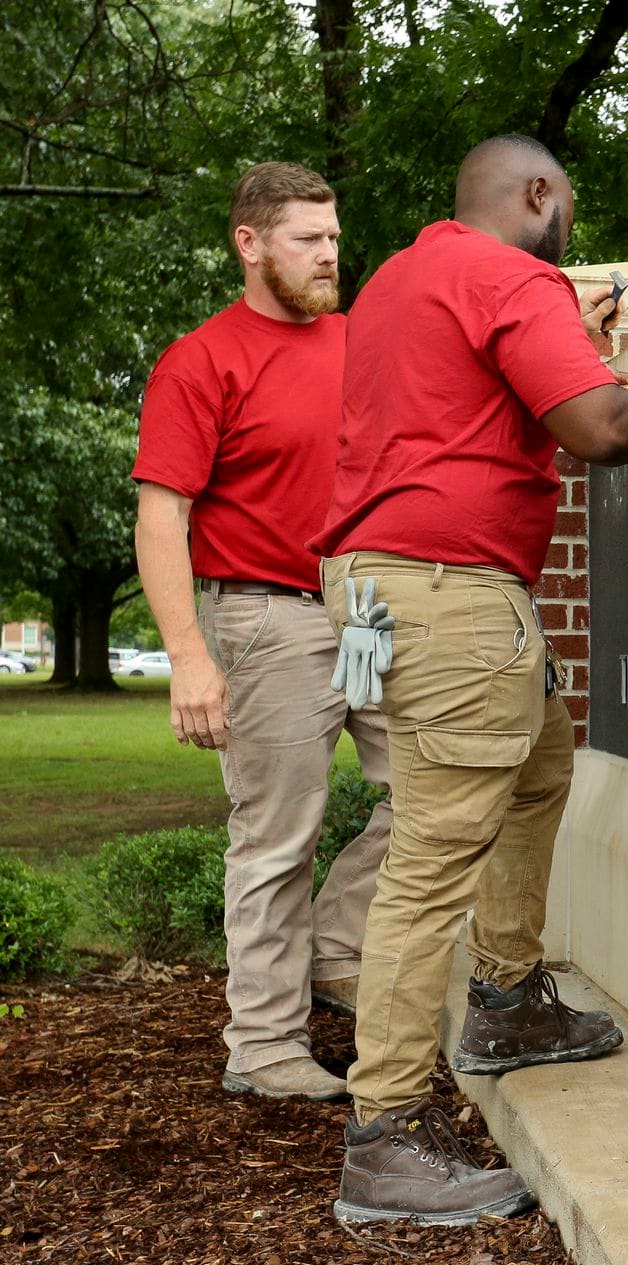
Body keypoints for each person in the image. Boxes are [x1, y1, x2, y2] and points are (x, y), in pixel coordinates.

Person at [313, 133, 628, 1225]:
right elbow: (594, 426)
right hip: (448, 590)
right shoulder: (511, 275)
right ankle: (383, 1136)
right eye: (565, 205)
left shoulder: (403, 277)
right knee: (430, 853)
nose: (568, 227)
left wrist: (567, 347)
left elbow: (468, 412)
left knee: (538, 764)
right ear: (537, 194)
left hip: (397, 581)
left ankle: (505, 997)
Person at [133, 162, 393, 1102]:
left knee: (435, 793)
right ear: (250, 243)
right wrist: (189, 660)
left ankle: (331, 950)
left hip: (364, 609)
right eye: (308, 239)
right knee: (278, 837)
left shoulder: (359, 341)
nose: (331, 254)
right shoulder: (201, 360)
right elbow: (161, 516)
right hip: (265, 618)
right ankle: (267, 1046)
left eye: (333, 237)